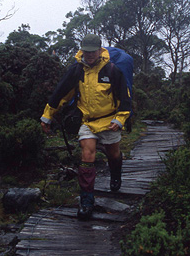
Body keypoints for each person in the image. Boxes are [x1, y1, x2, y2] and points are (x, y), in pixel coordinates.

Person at [40, 34, 131, 220]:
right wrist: (47, 116)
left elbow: (125, 98)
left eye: (92, 51)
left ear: (100, 50)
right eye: (86, 51)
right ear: (82, 50)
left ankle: (115, 175)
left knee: (113, 154)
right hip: (88, 121)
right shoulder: (77, 70)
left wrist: (120, 119)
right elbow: (61, 93)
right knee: (87, 154)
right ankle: (86, 201)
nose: (89, 55)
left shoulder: (112, 70)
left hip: (110, 121)